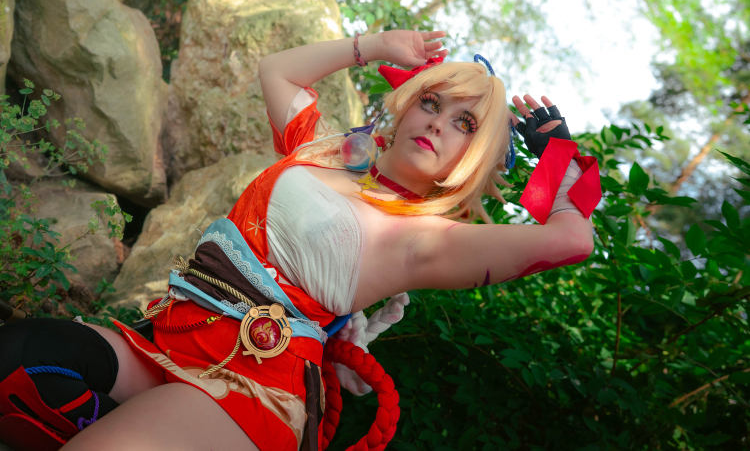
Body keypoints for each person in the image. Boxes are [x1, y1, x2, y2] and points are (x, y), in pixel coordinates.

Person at [0, 30, 600, 451]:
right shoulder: (330, 151)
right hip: (170, 343)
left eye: (465, 124)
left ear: (474, 158)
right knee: (18, 361)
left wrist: (559, 155)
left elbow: (572, 240)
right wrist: (376, 45)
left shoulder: (428, 239)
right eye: (432, 102)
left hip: (250, 390)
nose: (438, 122)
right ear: (408, 104)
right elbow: (277, 70)